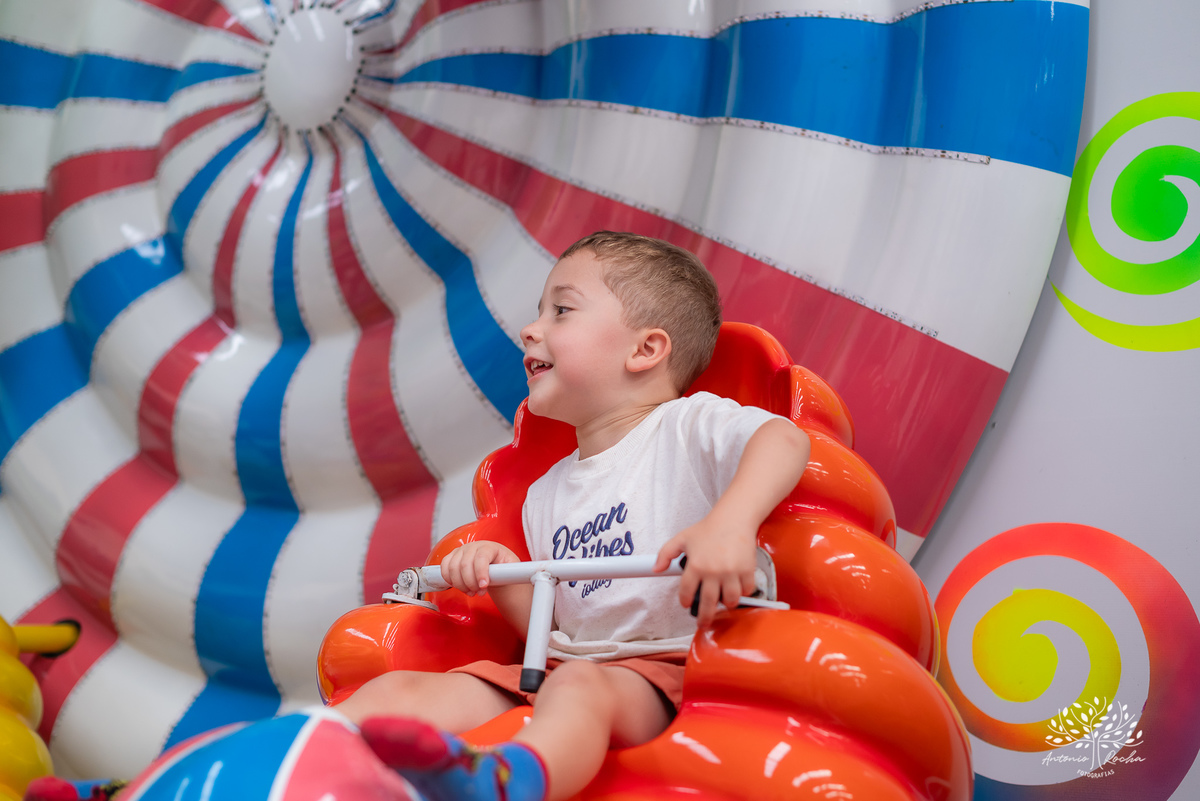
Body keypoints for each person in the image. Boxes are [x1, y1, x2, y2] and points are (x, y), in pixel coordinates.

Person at [335, 232, 812, 801]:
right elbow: (555, 626)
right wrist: (500, 571)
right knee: (403, 689)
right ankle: (288, 756)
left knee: (582, 686)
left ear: (644, 350)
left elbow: (782, 439)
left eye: (560, 310)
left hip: (668, 671)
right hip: (556, 668)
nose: (530, 329)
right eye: (540, 311)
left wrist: (730, 524)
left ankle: (509, 783)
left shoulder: (688, 427)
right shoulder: (546, 491)